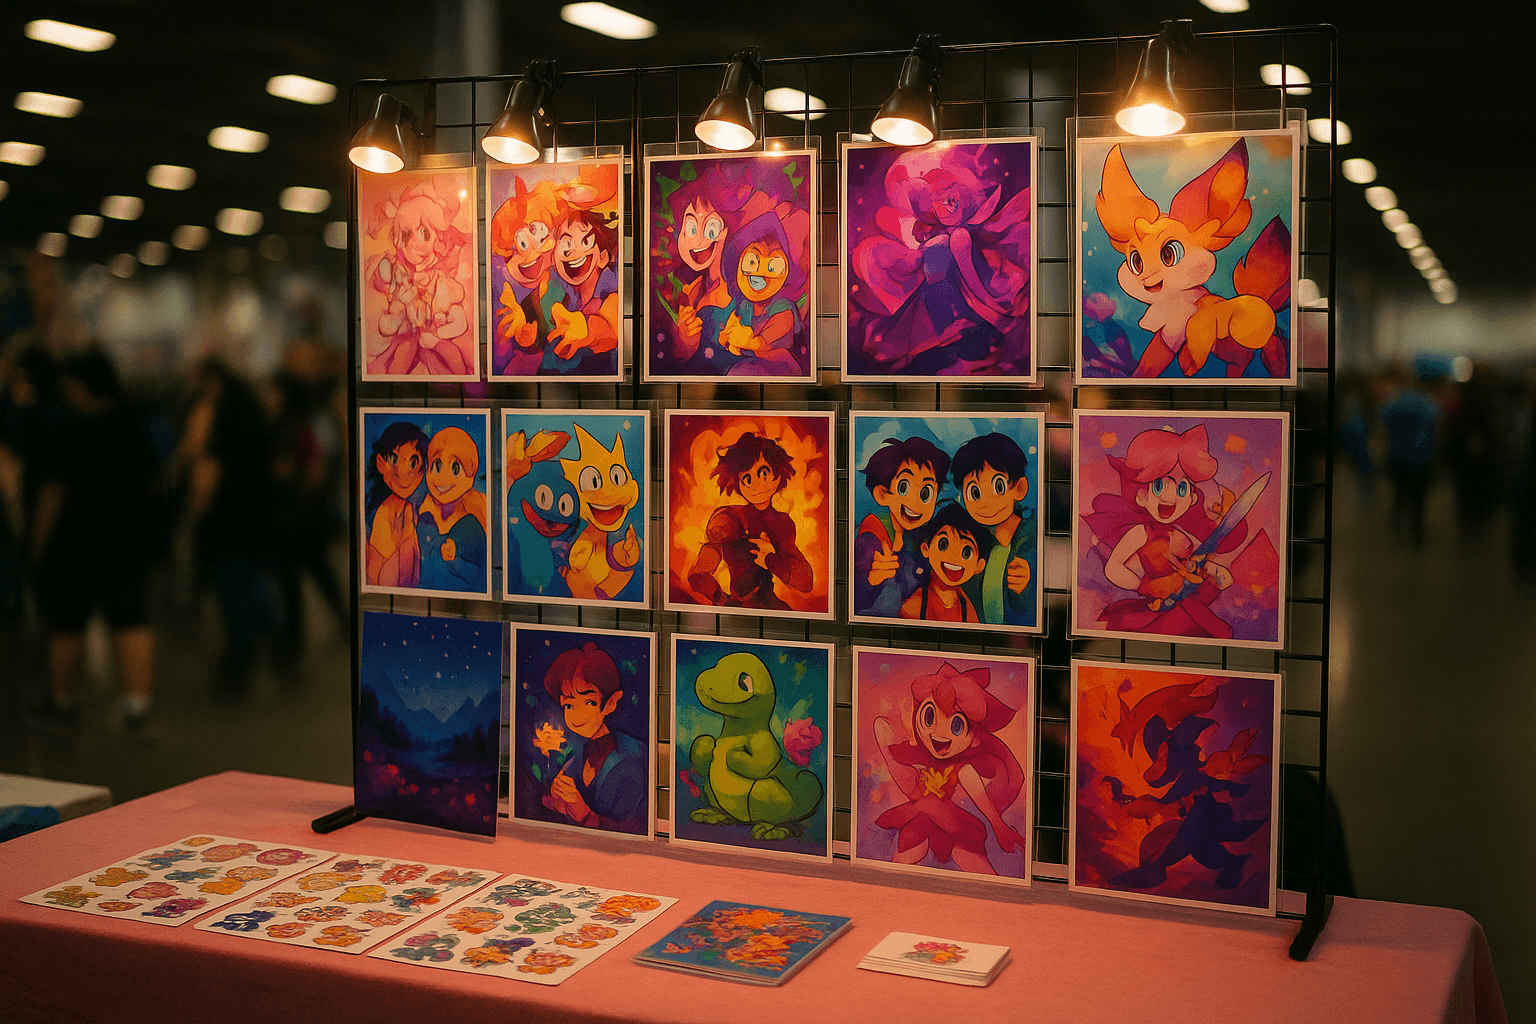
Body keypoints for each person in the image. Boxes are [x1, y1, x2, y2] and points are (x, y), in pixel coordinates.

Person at [26, 350, 165, 734]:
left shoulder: (69, 429)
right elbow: (154, 480)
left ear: (82, 386)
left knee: (67, 625)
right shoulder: (134, 425)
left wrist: (37, 543)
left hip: (77, 543)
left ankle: (62, 702)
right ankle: (137, 705)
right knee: (131, 620)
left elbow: (53, 492)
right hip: (127, 540)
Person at [872, 660, 1026, 874]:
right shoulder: (915, 756)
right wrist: (886, 750)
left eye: (956, 725)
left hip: (954, 825)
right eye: (929, 717)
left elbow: (973, 787)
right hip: (924, 822)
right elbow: (909, 785)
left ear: (974, 737)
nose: (939, 732)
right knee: (916, 834)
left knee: (965, 850)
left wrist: (998, 825)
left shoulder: (962, 768)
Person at [687, 432, 813, 610]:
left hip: (770, 607)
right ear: (737, 482)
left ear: (777, 473)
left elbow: (805, 582)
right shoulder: (730, 519)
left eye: (763, 473)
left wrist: (770, 560)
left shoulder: (782, 523)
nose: (756, 485)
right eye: (747, 479)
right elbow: (698, 575)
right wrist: (721, 600)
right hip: (737, 609)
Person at [539, 642, 647, 834]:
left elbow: (633, 828)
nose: (577, 716)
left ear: (610, 703)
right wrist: (559, 798)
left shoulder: (631, 760)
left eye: (589, 702)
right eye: (569, 705)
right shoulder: (576, 755)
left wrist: (586, 814)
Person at [854, 436, 949, 618]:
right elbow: (851, 600)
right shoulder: (871, 539)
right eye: (904, 488)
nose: (915, 502)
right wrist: (870, 581)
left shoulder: (919, 538)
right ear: (883, 494)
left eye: (925, 492)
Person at [952, 432, 1036, 626]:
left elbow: (1029, 609)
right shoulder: (968, 535)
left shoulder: (1031, 534)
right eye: (975, 492)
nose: (986, 503)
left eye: (998, 487)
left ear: (1019, 488)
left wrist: (1024, 586)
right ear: (962, 497)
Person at [416, 426, 488, 593]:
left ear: (471, 475)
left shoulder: (471, 523)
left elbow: (478, 574)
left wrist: (456, 560)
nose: (443, 478)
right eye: (437, 466)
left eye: (455, 469)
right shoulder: (423, 513)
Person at [899, 501, 992, 623]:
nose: (953, 557)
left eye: (966, 552)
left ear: (978, 566)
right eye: (943, 545)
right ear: (926, 548)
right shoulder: (914, 606)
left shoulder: (968, 611)